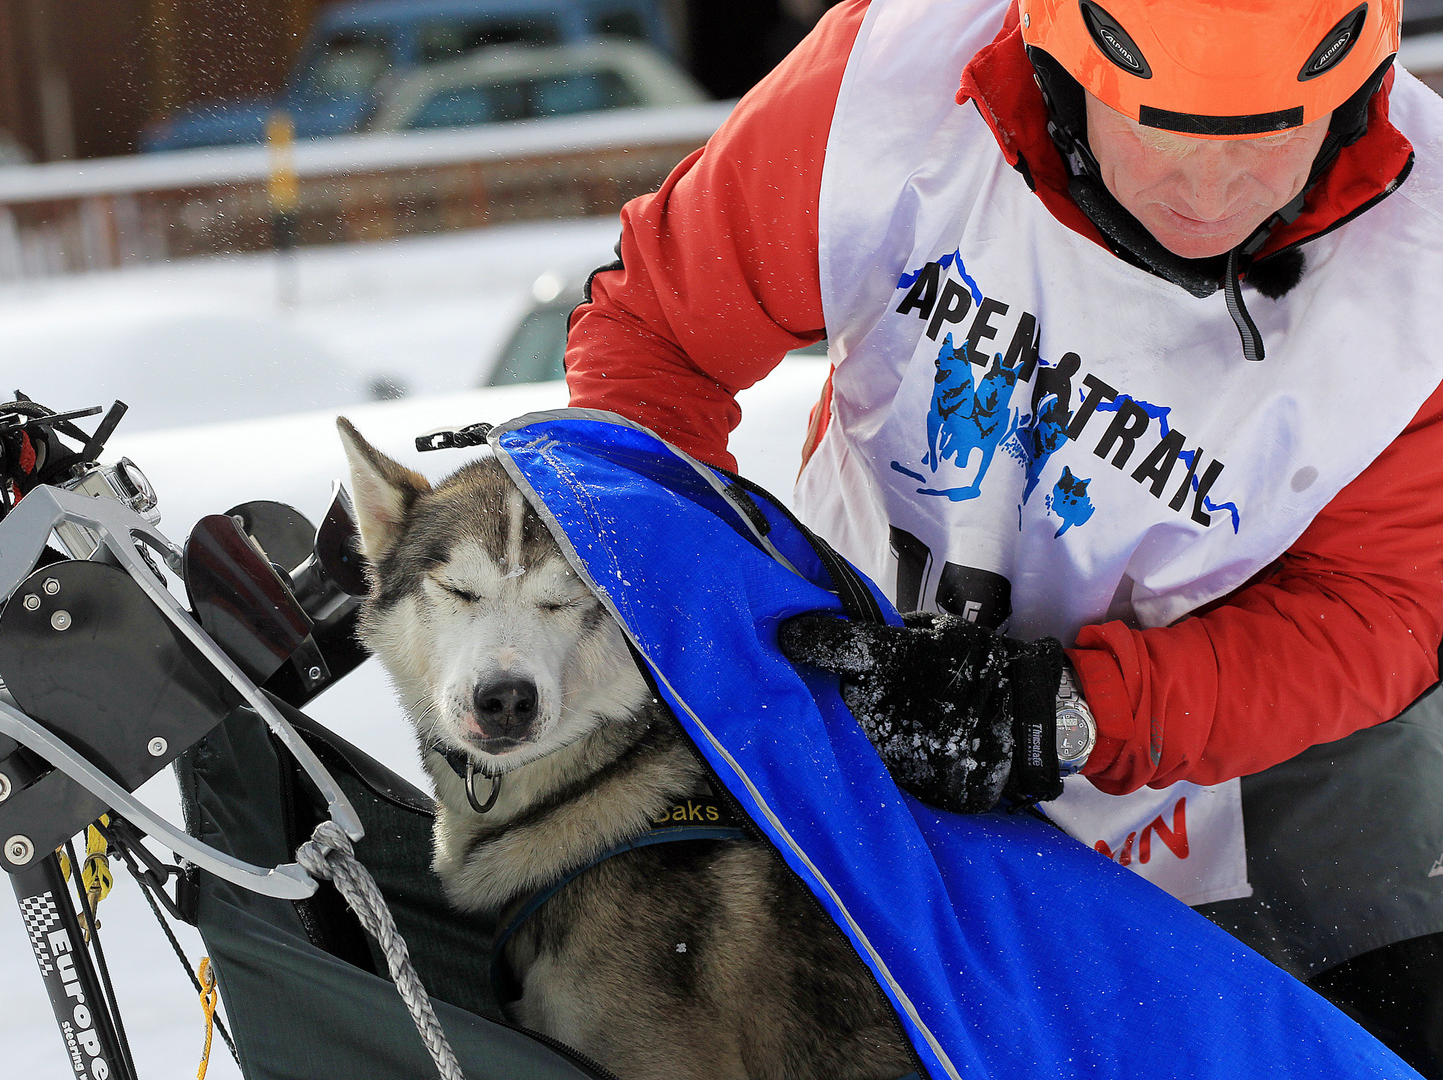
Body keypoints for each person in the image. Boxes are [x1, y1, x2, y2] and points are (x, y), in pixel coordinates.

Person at [563, 0, 1443, 1072]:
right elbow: (657, 336)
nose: (1208, 195)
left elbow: (1377, 610)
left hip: (1226, 744)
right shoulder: (886, 87)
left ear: (1355, 97)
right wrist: (695, 621)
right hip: (863, 675)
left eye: (1268, 137)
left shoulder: (1422, 272)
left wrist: (1072, 712)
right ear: (1062, 74)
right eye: (1159, 130)